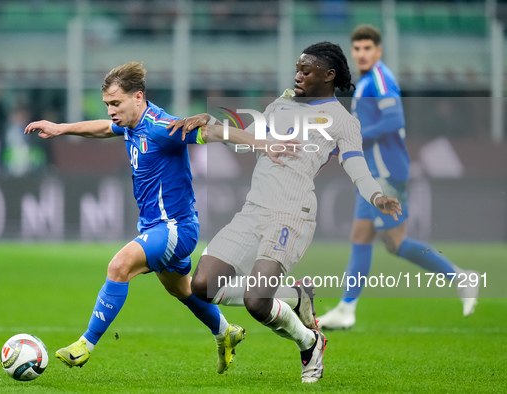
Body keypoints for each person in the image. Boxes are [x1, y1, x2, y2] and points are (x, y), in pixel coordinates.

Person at [24, 61, 294, 373]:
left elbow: (213, 131)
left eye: (115, 103)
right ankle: (225, 332)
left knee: (119, 266)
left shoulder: (162, 128)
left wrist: (262, 143)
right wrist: (62, 129)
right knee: (182, 289)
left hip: (175, 228)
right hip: (156, 225)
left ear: (137, 97)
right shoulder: (130, 123)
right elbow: (103, 128)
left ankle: (85, 344)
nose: (111, 110)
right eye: (107, 104)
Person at [168, 42, 403, 383]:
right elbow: (247, 138)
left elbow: (357, 167)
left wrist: (377, 195)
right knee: (201, 285)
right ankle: (298, 300)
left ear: (328, 75)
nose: (298, 76)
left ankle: (308, 344)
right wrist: (212, 125)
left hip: (292, 214)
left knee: (257, 303)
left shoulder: (343, 121)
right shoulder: (281, 103)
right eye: (297, 68)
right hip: (253, 210)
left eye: (306, 71)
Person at [317, 25, 479, 330]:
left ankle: (459, 277)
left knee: (383, 239)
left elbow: (394, 120)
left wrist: (356, 136)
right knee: (375, 239)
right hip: (377, 171)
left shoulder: (380, 79)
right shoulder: (369, 81)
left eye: (368, 48)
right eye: (357, 49)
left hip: (386, 171)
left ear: (378, 51)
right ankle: (347, 307)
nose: (362, 53)